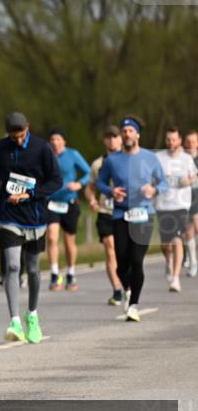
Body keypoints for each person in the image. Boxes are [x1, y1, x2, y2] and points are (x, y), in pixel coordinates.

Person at [0, 112, 62, 344]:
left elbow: (55, 181)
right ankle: (14, 321)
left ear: (27, 128)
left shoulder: (42, 148)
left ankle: (32, 315)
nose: (18, 140)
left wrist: (29, 194)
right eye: (13, 136)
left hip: (36, 217)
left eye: (21, 135)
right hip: (9, 217)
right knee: (12, 266)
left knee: (32, 269)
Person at [95, 117, 167, 322]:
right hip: (119, 214)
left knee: (136, 260)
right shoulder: (112, 160)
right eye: (124, 131)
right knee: (120, 264)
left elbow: (163, 183)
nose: (127, 134)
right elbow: (100, 182)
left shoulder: (150, 158)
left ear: (137, 135)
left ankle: (133, 304)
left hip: (144, 214)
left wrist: (153, 189)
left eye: (130, 131)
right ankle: (127, 290)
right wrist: (111, 191)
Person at [44, 128, 91, 291]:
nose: (55, 143)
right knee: (51, 236)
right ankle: (55, 274)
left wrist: (79, 184)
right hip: (51, 203)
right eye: (52, 140)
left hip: (70, 202)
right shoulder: (46, 155)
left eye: (58, 139)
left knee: (69, 240)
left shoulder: (73, 154)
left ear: (64, 141)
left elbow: (88, 172)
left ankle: (71, 273)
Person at [85, 126, 125, 305]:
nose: (111, 140)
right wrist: (92, 200)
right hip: (105, 212)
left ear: (121, 139)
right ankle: (117, 290)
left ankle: (128, 284)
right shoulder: (97, 164)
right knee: (110, 249)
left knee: (124, 252)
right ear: (104, 141)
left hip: (125, 211)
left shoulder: (129, 160)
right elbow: (89, 188)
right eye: (108, 137)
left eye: (114, 137)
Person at [154, 126, 197, 293]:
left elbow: (195, 175)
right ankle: (168, 261)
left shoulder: (187, 159)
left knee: (178, 239)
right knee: (165, 245)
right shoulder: (158, 157)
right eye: (168, 140)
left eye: (174, 139)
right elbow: (151, 177)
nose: (171, 142)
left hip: (181, 205)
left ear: (179, 140)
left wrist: (189, 180)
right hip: (163, 205)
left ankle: (176, 278)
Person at [185, 129, 198, 277]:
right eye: (188, 141)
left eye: (193, 141)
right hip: (184, 195)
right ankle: (193, 262)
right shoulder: (181, 158)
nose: (190, 144)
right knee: (188, 230)